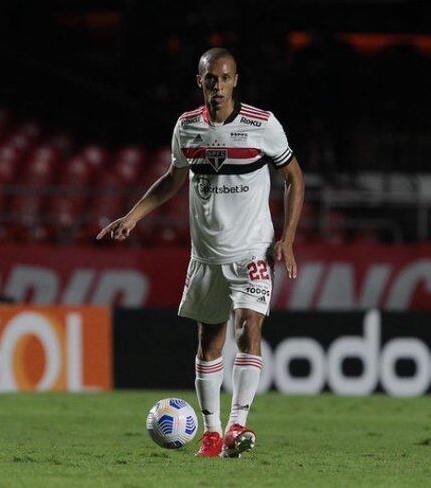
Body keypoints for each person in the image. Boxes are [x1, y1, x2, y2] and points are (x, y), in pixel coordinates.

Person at [97, 48, 304, 458]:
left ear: (236, 80)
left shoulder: (262, 125)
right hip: (207, 255)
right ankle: (211, 434)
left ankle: (237, 425)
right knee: (209, 343)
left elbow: (294, 178)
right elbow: (173, 178)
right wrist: (133, 216)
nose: (218, 86)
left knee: (248, 329)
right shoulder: (187, 127)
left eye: (225, 78)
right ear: (200, 81)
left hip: (252, 250)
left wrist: (288, 238)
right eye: (211, 79)